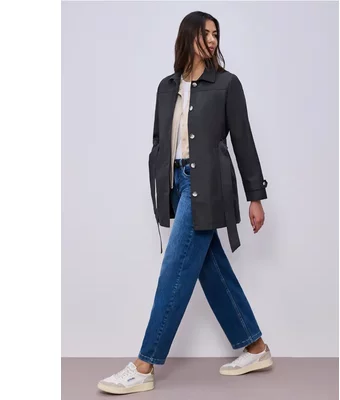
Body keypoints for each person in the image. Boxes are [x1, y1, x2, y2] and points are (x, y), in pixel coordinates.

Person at [98, 11, 272, 395]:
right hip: (176, 184)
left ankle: (144, 365)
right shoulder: (166, 87)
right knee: (211, 269)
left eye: (216, 34)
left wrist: (255, 196)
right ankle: (256, 347)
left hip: (206, 184)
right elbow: (160, 140)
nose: (212, 40)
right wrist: (161, 183)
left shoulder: (227, 84)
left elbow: (243, 140)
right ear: (188, 36)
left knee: (175, 268)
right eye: (205, 33)